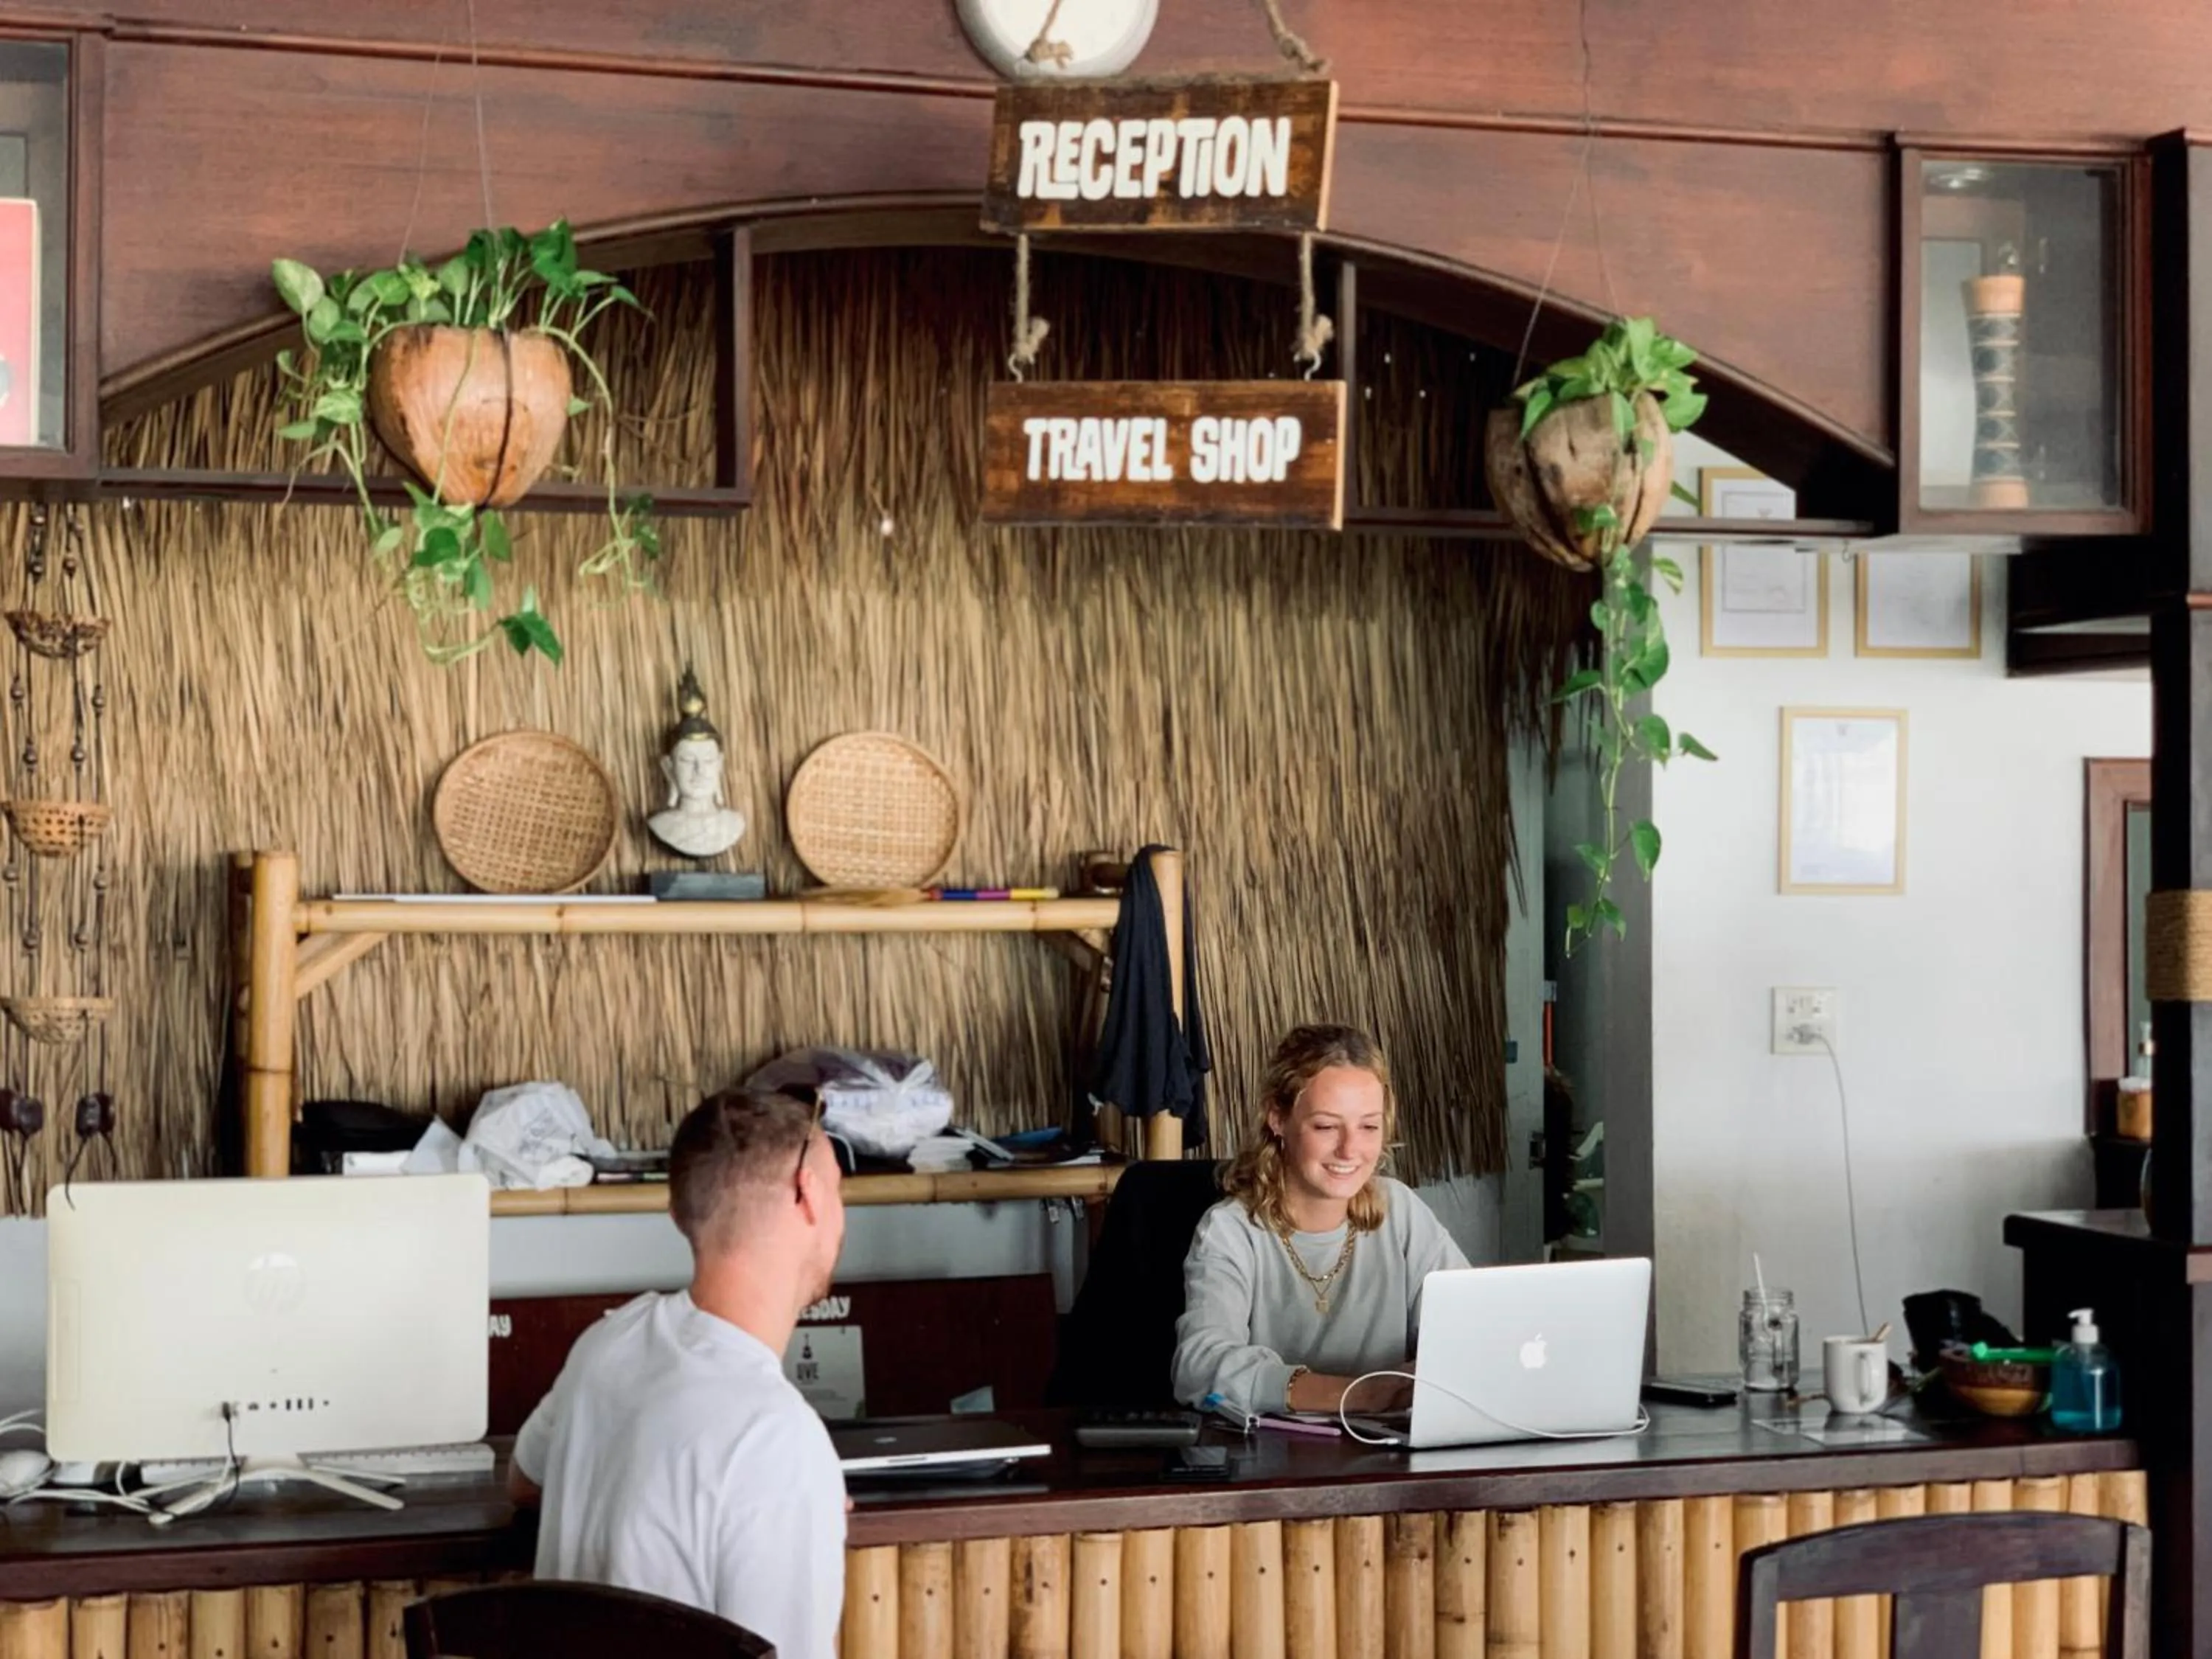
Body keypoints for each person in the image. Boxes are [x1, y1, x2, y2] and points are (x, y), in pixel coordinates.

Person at [509, 1088, 848, 1656]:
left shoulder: (608, 1342)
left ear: (679, 1215)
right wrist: (790, 1496)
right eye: (839, 1189)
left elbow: (523, 1482)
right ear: (809, 1194)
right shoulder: (779, 1440)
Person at [1172, 1023, 1470, 1416]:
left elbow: (1474, 1327)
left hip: (1390, 1445)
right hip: (1274, 1450)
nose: (1350, 1150)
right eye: (1327, 1127)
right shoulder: (1231, 1230)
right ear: (1278, 1118)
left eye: (1369, 1126)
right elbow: (1199, 1367)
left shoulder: (1400, 1211)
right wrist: (1363, 1395)